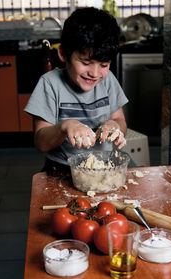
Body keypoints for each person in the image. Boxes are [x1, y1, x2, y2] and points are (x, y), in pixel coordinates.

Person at [24, 7, 128, 173]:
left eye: (104, 65)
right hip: (61, 169)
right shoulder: (49, 84)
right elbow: (41, 143)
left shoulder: (108, 81)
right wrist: (65, 126)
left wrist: (114, 125)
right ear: (63, 54)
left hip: (103, 167)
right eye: (85, 63)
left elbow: (121, 122)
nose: (94, 73)